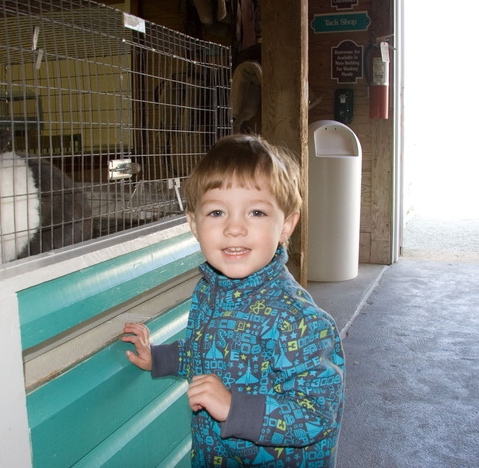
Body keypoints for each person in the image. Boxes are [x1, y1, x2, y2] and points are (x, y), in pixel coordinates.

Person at [123, 134, 345, 467]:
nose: (235, 228)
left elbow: (318, 413)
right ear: (194, 224)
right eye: (216, 213)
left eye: (255, 212)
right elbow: (209, 354)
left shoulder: (298, 320)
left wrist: (232, 407)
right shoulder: (210, 291)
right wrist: (158, 358)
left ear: (286, 225)